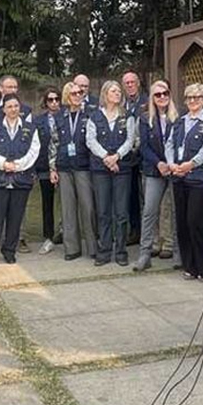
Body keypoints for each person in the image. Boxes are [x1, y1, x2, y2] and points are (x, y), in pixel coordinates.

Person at [0, 94, 40, 267]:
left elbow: (34, 151)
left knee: (16, 217)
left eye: (16, 106)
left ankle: (9, 251)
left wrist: (17, 166)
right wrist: (4, 164)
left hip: (21, 179)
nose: (13, 109)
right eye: (10, 106)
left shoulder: (30, 128)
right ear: (3, 109)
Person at [167, 83, 203, 281]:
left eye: (197, 97)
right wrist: (172, 164)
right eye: (189, 97)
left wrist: (191, 164)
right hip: (179, 178)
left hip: (200, 180)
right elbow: (170, 144)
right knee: (182, 223)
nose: (192, 101)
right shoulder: (179, 122)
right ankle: (190, 267)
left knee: (197, 222)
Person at [86, 80, 136, 266]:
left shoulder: (127, 116)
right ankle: (104, 250)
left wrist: (117, 157)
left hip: (122, 170)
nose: (117, 94)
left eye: (118, 91)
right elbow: (91, 141)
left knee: (121, 212)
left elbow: (130, 140)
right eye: (113, 91)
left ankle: (121, 251)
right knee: (103, 211)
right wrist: (107, 158)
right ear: (105, 94)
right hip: (100, 170)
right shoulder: (94, 117)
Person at [49, 82, 97, 261]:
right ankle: (72, 248)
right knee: (68, 209)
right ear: (67, 97)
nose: (78, 96)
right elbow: (53, 143)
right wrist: (53, 168)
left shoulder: (90, 114)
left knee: (88, 207)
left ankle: (93, 246)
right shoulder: (60, 117)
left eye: (80, 93)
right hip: (64, 167)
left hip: (84, 166)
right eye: (74, 93)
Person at [135, 80, 180, 271]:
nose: (162, 97)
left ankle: (178, 253)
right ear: (152, 98)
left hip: (175, 170)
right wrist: (159, 163)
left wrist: (172, 164)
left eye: (165, 93)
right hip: (154, 170)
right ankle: (145, 254)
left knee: (176, 212)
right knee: (149, 211)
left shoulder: (179, 117)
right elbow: (143, 146)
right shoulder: (145, 119)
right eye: (158, 94)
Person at [33, 87, 60, 255]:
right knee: (47, 203)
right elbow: (36, 146)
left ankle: (69, 234)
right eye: (50, 100)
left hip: (64, 166)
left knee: (69, 203)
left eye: (57, 99)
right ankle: (48, 237)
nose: (54, 102)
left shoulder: (66, 117)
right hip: (44, 167)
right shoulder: (38, 121)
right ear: (45, 102)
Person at [123, 71, 148, 247]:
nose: (130, 85)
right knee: (131, 197)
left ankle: (149, 234)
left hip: (145, 156)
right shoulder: (121, 104)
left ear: (138, 83)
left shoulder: (147, 102)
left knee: (147, 197)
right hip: (128, 158)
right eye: (127, 83)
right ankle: (135, 230)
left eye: (132, 82)